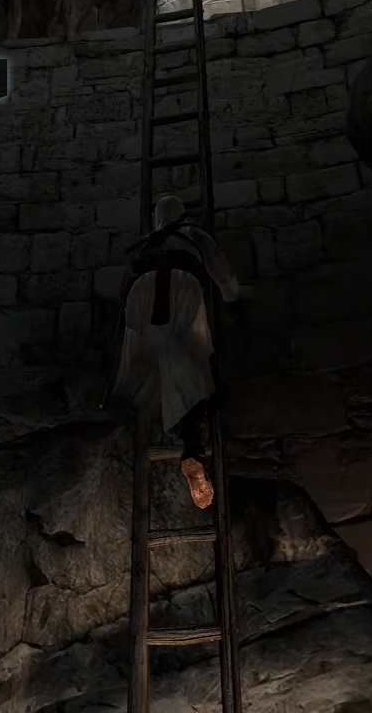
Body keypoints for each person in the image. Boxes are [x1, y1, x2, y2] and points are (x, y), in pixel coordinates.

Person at [109, 195, 249, 509]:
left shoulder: (146, 244)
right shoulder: (193, 234)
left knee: (161, 368)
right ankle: (194, 448)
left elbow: (125, 285)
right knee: (196, 369)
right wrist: (233, 298)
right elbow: (221, 270)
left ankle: (180, 435)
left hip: (142, 297)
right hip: (179, 288)